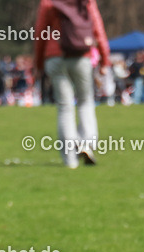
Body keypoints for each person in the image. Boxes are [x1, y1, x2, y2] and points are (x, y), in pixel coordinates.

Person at [34, 0, 110, 167]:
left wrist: (38, 63)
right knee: (85, 101)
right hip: (81, 54)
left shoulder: (48, 2)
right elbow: (98, 30)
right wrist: (105, 59)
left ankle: (70, 160)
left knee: (65, 107)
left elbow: (41, 33)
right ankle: (86, 144)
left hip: (55, 56)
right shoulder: (87, 2)